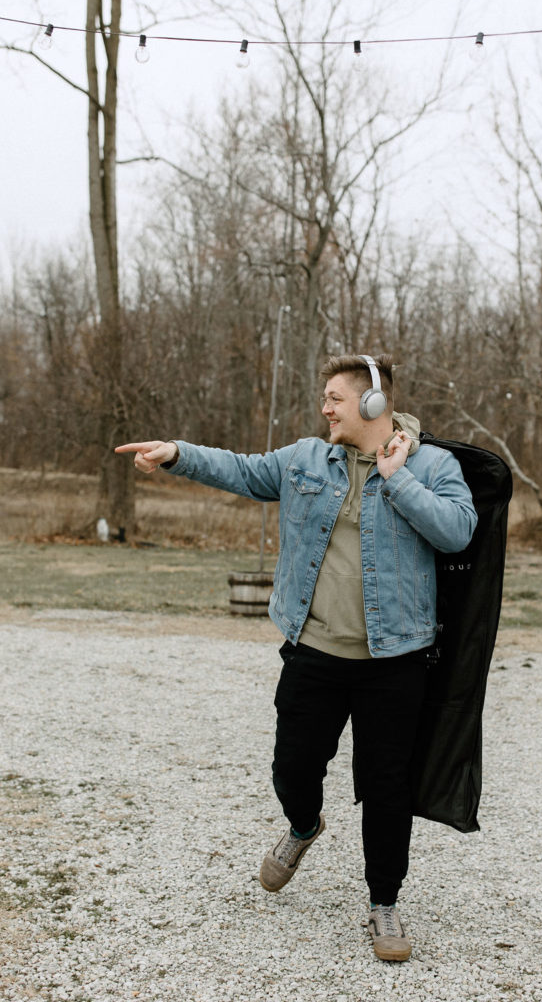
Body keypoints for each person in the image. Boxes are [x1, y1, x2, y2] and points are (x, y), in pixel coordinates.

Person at [115, 353, 477, 962]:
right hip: (314, 651)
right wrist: (177, 452)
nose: (325, 407)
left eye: (335, 397)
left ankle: (383, 903)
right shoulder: (308, 459)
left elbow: (458, 532)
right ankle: (304, 824)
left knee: (387, 788)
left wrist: (398, 478)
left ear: (371, 403)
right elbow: (243, 470)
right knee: (293, 766)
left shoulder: (435, 465)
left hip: (395, 661)